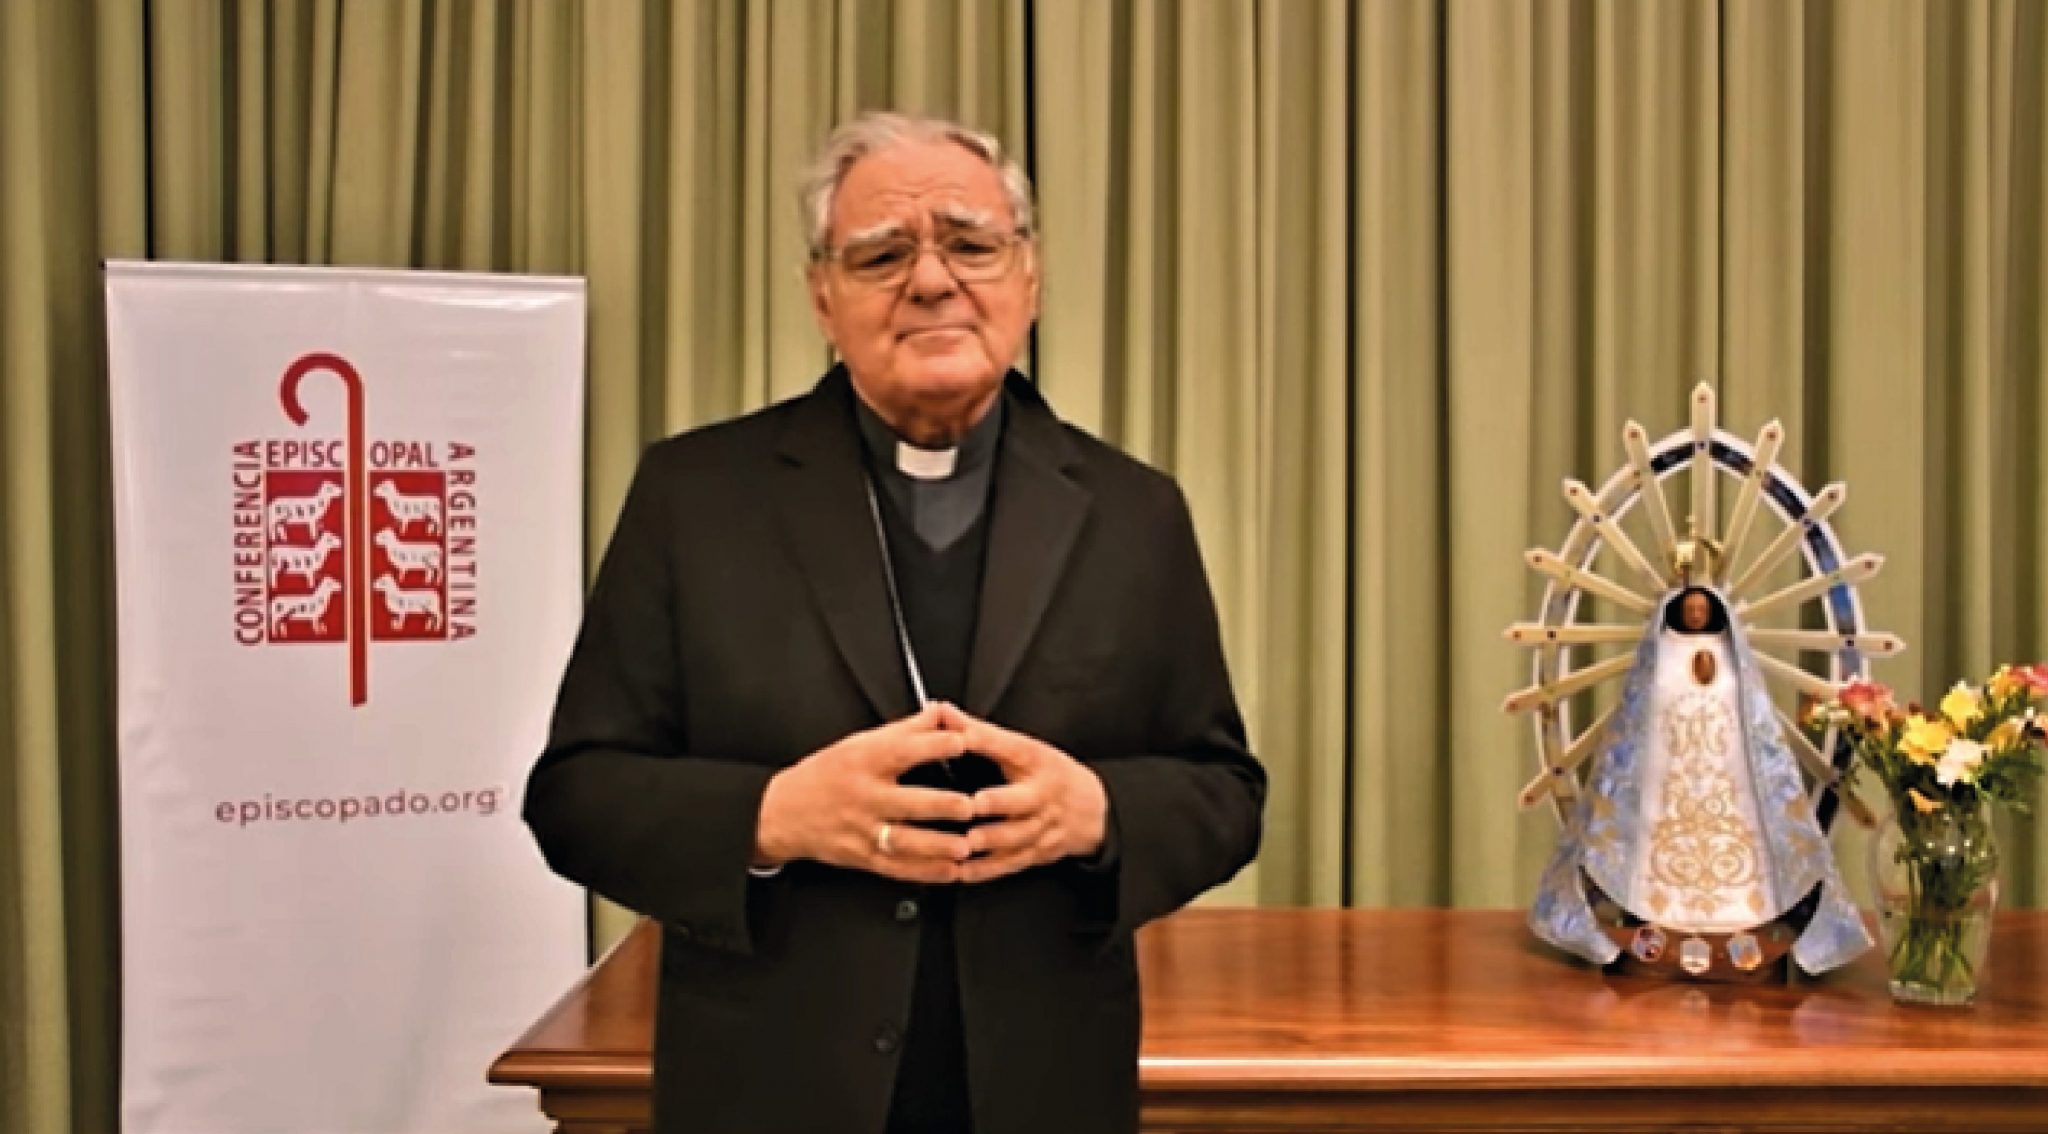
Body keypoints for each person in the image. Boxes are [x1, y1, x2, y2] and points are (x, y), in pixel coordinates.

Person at [523, 111, 1266, 1134]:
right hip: (771, 1091)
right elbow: (574, 795)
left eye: (969, 244)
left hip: (1042, 1088)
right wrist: (772, 816)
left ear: (1029, 278)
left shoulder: (1134, 511)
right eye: (881, 254)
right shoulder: (694, 496)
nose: (930, 281)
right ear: (821, 297)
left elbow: (1223, 792)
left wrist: (1097, 811)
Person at [1529, 538, 1868, 980]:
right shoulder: (1660, 653)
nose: (1694, 615)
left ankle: (1743, 928)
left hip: (1730, 780)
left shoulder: (1733, 657)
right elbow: (1639, 719)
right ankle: (1649, 927)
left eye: (1701, 609)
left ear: (1714, 612)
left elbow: (1754, 725)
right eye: (1688, 608)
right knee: (1653, 852)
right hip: (1666, 779)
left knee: (1742, 856)